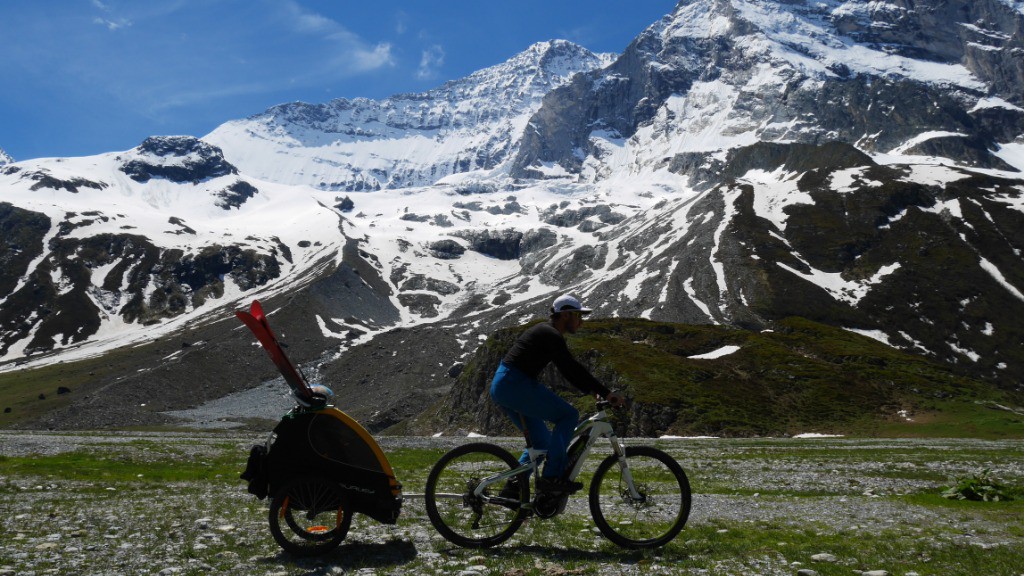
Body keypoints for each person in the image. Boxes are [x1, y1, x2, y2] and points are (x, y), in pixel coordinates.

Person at [490, 294, 626, 494]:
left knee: (542, 443)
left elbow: (569, 372)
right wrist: (605, 393)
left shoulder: (547, 333)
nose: (581, 322)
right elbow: (571, 368)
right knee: (568, 415)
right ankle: (552, 477)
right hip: (515, 384)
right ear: (565, 315)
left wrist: (592, 391)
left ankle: (512, 490)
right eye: (578, 316)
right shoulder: (550, 334)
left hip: (506, 385)